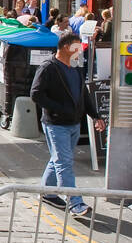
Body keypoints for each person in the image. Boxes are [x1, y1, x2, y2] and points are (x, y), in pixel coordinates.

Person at [30, 32, 104, 218]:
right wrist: (59, 109)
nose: (80, 51)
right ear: (65, 47)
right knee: (64, 163)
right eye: (77, 47)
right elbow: (36, 93)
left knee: (58, 159)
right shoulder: (49, 67)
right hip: (56, 124)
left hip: (73, 123)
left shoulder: (75, 69)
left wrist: (95, 116)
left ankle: (47, 192)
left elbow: (83, 95)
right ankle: (75, 203)